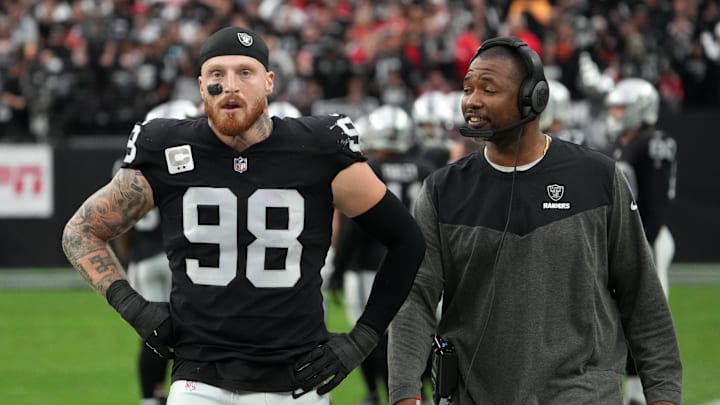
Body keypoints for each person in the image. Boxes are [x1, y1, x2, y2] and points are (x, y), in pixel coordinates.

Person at [61, 26, 426, 405]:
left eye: (245, 72)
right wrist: (135, 309)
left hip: (297, 382)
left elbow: (407, 241)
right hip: (198, 381)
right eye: (217, 74)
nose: (230, 85)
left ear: (269, 82)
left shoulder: (318, 146)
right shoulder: (167, 147)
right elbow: (81, 232)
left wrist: (363, 337)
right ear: (201, 85)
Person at [387, 36, 682, 405]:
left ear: (533, 98)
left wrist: (664, 394)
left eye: (488, 89)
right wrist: (404, 393)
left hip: (582, 396)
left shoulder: (598, 178)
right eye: (467, 88)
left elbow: (642, 295)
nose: (472, 101)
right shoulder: (442, 191)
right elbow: (415, 298)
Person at [329, 105, 435, 405]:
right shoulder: (425, 168)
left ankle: (376, 392)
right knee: (418, 331)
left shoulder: (369, 168)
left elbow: (354, 229)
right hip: (419, 263)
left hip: (369, 263)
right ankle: (417, 391)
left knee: (368, 333)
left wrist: (339, 268)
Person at [110, 99, 200, 405]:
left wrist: (130, 258)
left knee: (154, 333)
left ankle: (152, 397)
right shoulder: (197, 161)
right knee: (191, 333)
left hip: (144, 258)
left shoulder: (134, 162)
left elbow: (122, 225)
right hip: (180, 259)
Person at [605, 77, 679, 405]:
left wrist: (640, 244)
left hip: (649, 237)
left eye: (621, 107)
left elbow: (655, 204)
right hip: (633, 238)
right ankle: (632, 393)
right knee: (622, 315)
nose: (615, 113)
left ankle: (643, 394)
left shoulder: (653, 142)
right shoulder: (626, 143)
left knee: (647, 317)